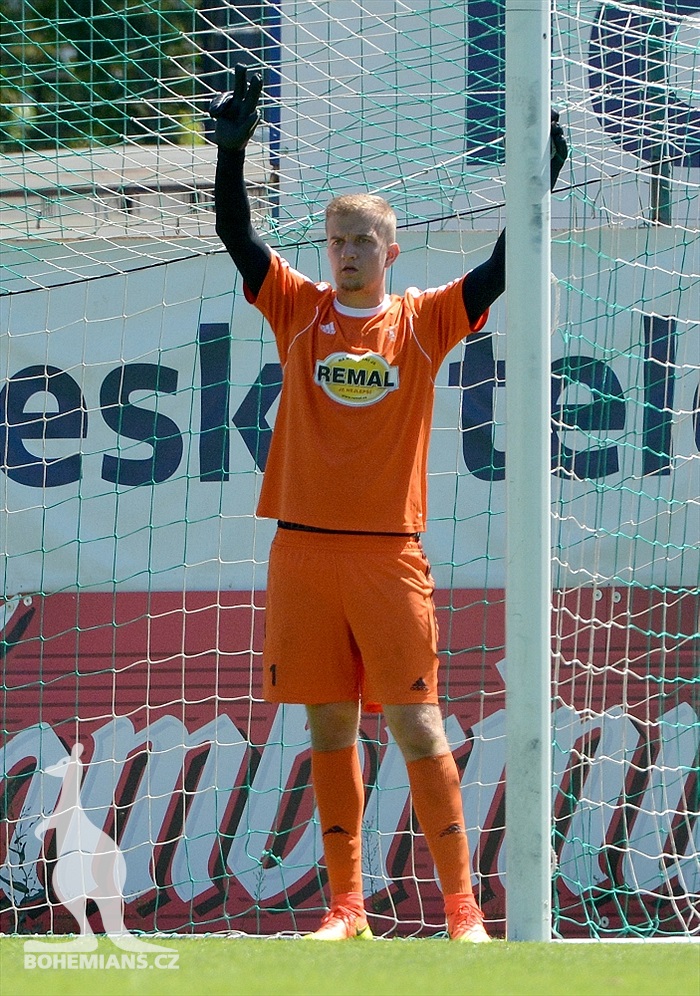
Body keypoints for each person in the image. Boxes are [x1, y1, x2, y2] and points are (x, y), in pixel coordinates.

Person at [211, 67, 567, 942]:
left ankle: (462, 912)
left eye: (362, 239)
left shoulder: (422, 320)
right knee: (328, 725)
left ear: (391, 249)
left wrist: (537, 184)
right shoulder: (295, 307)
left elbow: (502, 268)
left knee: (415, 723)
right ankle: (346, 908)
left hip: (386, 555)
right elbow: (233, 231)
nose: (346, 251)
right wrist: (229, 153)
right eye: (336, 238)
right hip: (302, 552)